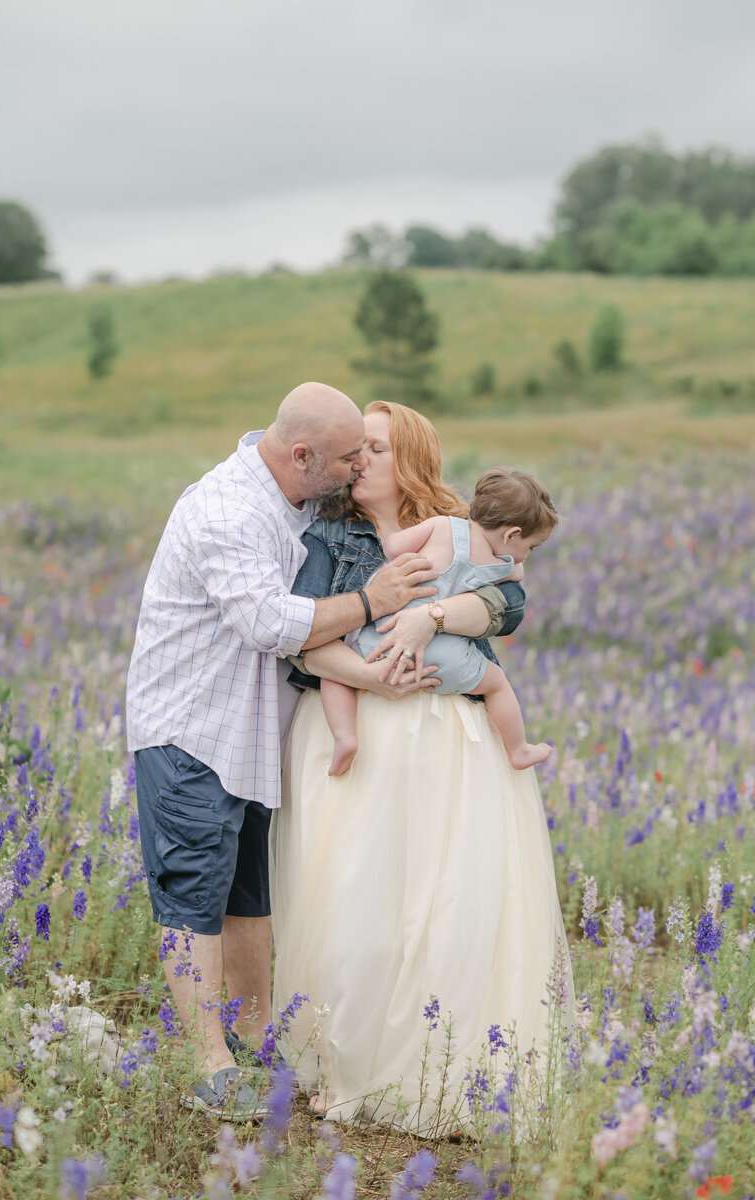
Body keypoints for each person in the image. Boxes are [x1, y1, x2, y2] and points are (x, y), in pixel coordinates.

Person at [125, 382, 441, 1118]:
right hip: (193, 726)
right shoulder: (226, 509)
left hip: (253, 730)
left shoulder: (299, 494)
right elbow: (270, 623)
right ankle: (209, 1064)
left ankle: (256, 1035)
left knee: (246, 890)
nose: (354, 469)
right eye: (343, 459)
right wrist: (376, 599)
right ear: (302, 455)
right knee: (190, 890)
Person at [271, 401, 574, 1134]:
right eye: (355, 448)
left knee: (446, 897)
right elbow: (307, 641)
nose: (358, 459)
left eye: (375, 446)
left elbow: (506, 604)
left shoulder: (454, 524)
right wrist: (377, 678)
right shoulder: (328, 534)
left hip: (446, 735)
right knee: (355, 892)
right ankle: (348, 1060)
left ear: (409, 457)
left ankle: (443, 1066)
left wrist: (429, 617)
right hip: (362, 726)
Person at [319, 466, 559, 776]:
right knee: (497, 684)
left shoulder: (442, 527)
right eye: (530, 547)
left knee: (336, 669)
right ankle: (518, 749)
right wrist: (511, 560)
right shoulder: (499, 565)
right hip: (440, 658)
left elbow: (391, 548)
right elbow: (517, 573)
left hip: (382, 637)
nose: (525, 555)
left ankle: (345, 737)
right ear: (511, 534)